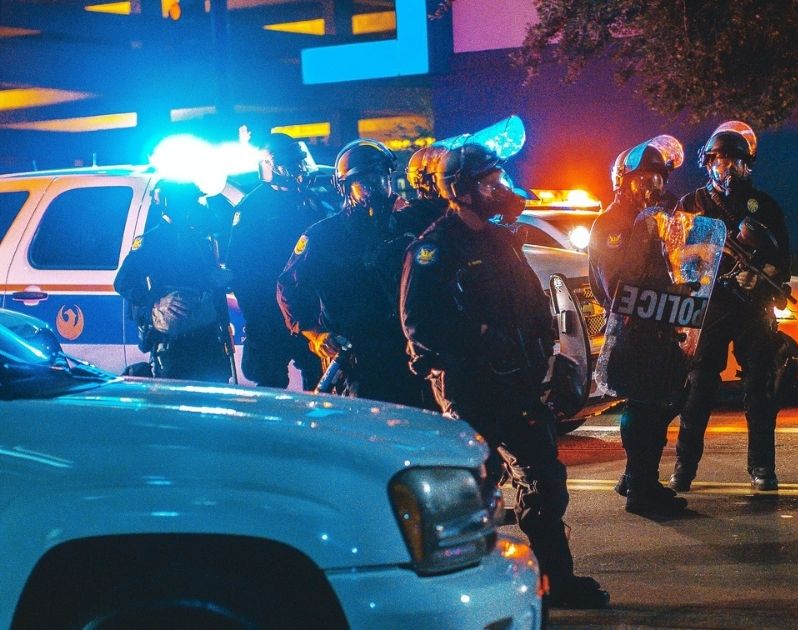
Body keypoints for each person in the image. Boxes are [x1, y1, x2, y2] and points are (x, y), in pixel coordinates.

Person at [399, 143, 610, 609]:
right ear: (461, 191)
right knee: (475, 490)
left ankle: (556, 581)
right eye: (489, 183)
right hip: (469, 388)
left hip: (517, 384)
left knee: (545, 480)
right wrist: (473, 340)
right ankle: (473, 590)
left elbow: (533, 307)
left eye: (500, 181)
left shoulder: (500, 242)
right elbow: (418, 324)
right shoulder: (434, 249)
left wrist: (547, 359)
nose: (500, 190)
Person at [671, 122, 791, 492]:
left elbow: (782, 257)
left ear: (747, 165)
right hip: (710, 308)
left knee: (760, 389)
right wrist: (713, 275)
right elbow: (675, 256)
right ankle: (684, 469)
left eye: (736, 161)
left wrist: (763, 274)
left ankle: (762, 468)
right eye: (720, 160)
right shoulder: (692, 204)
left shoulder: (764, 205)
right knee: (699, 389)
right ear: (707, 163)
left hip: (753, 308)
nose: (727, 167)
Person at [276, 138, 432, 407]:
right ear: (344, 186)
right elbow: (289, 287)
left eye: (381, 176)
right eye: (364, 180)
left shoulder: (410, 224)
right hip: (360, 363)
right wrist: (316, 334)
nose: (375, 185)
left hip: (411, 357)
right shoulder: (324, 235)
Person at [589, 136, 689, 515]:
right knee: (642, 405)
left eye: (659, 180)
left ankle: (639, 477)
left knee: (666, 400)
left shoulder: (660, 221)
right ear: (624, 180)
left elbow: (676, 268)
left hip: (663, 322)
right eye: (644, 179)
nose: (653, 186)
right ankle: (641, 490)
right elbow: (617, 283)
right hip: (632, 328)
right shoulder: (613, 223)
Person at [226, 133, 324, 390]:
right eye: (291, 165)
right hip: (268, 314)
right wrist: (257, 318)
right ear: (270, 167)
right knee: (271, 385)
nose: (298, 171)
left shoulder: (309, 200)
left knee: (319, 380)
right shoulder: (252, 208)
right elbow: (239, 269)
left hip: (307, 311)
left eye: (300, 164)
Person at [115, 180, 233, 382]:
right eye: (189, 202)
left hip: (207, 339)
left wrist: (220, 280)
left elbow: (212, 286)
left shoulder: (200, 240)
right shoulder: (151, 242)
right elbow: (123, 282)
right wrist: (156, 301)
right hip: (175, 345)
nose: (195, 208)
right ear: (173, 204)